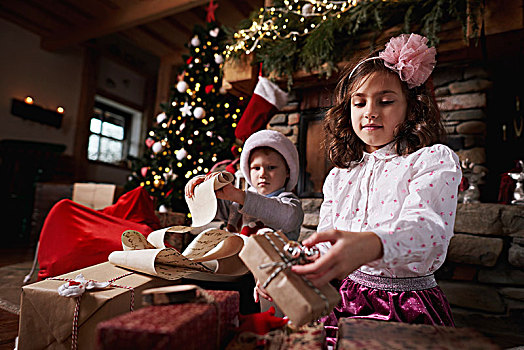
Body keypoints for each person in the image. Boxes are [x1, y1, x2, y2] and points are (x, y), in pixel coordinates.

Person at [261, 33, 459, 345]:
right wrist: (293, 266)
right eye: (360, 102)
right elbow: (327, 242)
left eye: (386, 101)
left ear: (410, 108)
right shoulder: (340, 176)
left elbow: (428, 230)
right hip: (341, 301)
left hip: (403, 307)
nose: (370, 111)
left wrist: (373, 244)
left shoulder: (431, 161)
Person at [185, 129, 304, 313]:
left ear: (288, 172)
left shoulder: (289, 201)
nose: (262, 174)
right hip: (235, 270)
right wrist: (203, 191)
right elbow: (215, 210)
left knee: (260, 313)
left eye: (271, 167)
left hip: (270, 277)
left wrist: (240, 196)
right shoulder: (238, 201)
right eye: (256, 168)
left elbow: (286, 218)